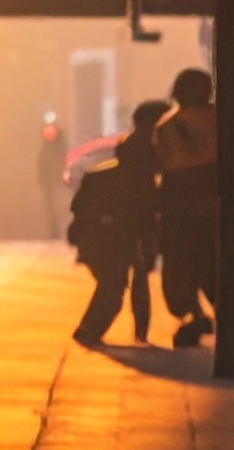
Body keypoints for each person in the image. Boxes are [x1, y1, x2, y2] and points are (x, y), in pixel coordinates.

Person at [69, 99, 169, 346]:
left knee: (117, 283)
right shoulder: (149, 145)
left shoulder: (133, 148)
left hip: (118, 228)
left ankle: (93, 330)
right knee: (117, 283)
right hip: (119, 228)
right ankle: (91, 330)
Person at [154, 66, 219, 347]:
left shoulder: (168, 126)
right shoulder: (223, 120)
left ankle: (193, 314)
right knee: (213, 265)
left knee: (183, 265)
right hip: (216, 205)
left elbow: (168, 165)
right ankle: (223, 315)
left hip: (179, 208)